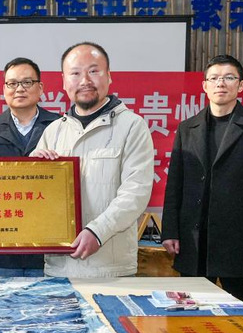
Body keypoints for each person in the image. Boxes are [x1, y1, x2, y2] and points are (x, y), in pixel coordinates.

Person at [161, 55, 243, 308]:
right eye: (214, 78)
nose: (220, 83)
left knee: (240, 316)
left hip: (238, 245)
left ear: (241, 85)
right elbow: (175, 185)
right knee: (190, 316)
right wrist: (170, 231)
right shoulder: (187, 128)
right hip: (193, 243)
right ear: (204, 85)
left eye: (228, 77)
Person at [30, 42, 154, 278]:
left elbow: (135, 193)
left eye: (94, 71)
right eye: (75, 73)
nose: (85, 80)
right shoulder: (53, 131)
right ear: (64, 81)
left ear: (109, 76)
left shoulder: (132, 126)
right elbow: (35, 199)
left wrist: (98, 232)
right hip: (59, 268)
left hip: (111, 268)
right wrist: (32, 172)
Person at [0, 57, 59, 277]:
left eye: (27, 82)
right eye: (12, 83)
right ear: (4, 89)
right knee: (4, 298)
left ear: (40, 88)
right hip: (3, 241)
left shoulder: (59, 125)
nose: (19, 89)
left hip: (47, 238)